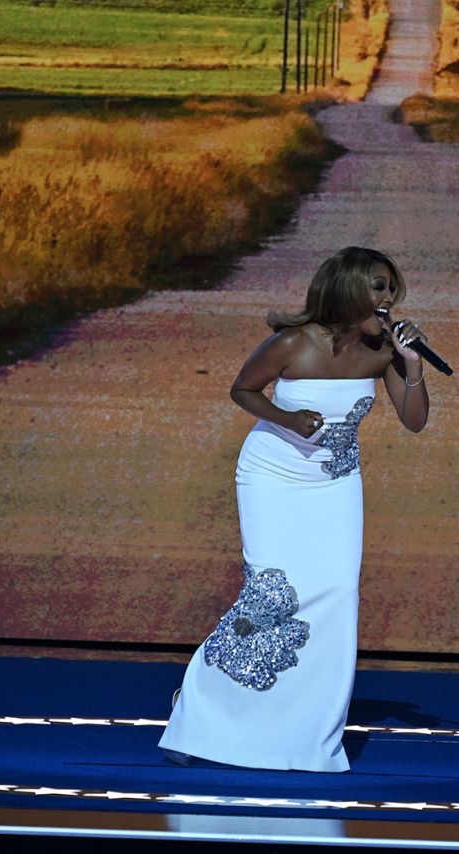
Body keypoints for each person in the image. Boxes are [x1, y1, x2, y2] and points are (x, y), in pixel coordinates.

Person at [157, 246, 431, 772]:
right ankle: (201, 708)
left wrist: (412, 364)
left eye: (392, 288)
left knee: (335, 596)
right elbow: (243, 390)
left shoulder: (387, 352)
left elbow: (414, 421)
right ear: (349, 289)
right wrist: (286, 417)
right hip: (273, 477)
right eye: (378, 286)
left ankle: (305, 729)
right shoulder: (292, 343)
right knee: (271, 595)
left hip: (335, 484)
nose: (388, 298)